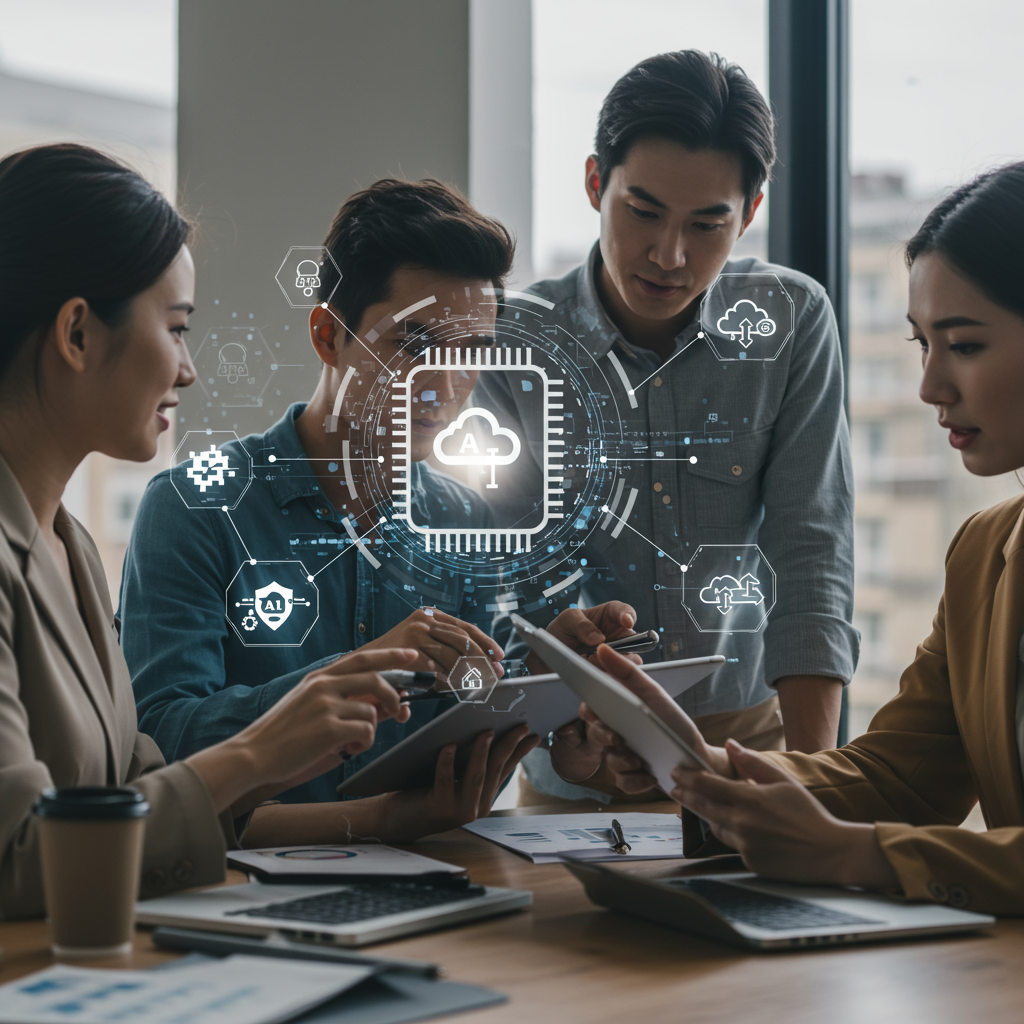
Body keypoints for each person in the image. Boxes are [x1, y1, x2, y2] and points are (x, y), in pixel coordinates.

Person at [120, 177, 632, 843]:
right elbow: (161, 745)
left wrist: (546, 704)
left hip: (433, 882)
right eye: (415, 345)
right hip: (235, 894)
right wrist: (361, 672)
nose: (443, 388)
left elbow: (459, 761)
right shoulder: (194, 507)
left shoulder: (469, 526)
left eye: (469, 352)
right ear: (328, 335)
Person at [582, 162, 1024, 914]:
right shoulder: (984, 552)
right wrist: (708, 769)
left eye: (966, 346)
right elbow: (904, 778)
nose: (929, 387)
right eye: (923, 345)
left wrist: (854, 852)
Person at [0, 143, 424, 918]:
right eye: (178, 327)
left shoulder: (72, 546)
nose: (188, 371)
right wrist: (261, 747)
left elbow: (132, 791)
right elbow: (14, 862)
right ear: (78, 334)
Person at [472, 49, 858, 806]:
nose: (669, 256)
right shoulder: (511, 341)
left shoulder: (792, 321)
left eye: (708, 224)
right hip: (574, 766)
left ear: (748, 214)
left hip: (752, 749)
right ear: (595, 184)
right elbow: (501, 578)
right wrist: (578, 749)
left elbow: (811, 552)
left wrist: (814, 789)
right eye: (643, 212)